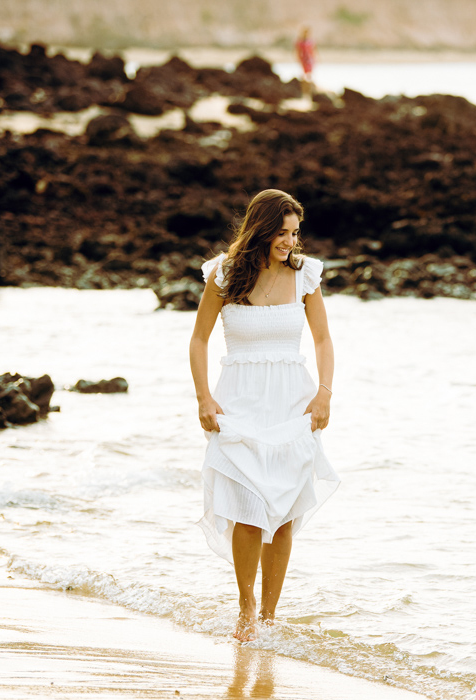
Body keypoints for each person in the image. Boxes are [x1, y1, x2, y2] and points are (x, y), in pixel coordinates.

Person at [189, 189, 340, 642]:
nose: (290, 242)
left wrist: (324, 395)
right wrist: (203, 398)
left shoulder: (305, 276)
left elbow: (323, 341)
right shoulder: (225, 274)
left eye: (295, 233)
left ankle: (270, 616)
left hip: (293, 404)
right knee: (248, 508)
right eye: (282, 232)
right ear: (261, 228)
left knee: (286, 512)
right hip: (238, 404)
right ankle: (246, 606)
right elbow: (198, 340)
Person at [295, 26, 316, 94]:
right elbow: (298, 51)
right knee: (304, 73)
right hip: (303, 58)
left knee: (309, 73)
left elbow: (313, 51)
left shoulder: (310, 41)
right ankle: (303, 88)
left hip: (309, 58)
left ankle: (309, 89)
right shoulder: (300, 42)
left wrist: (314, 58)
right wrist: (298, 58)